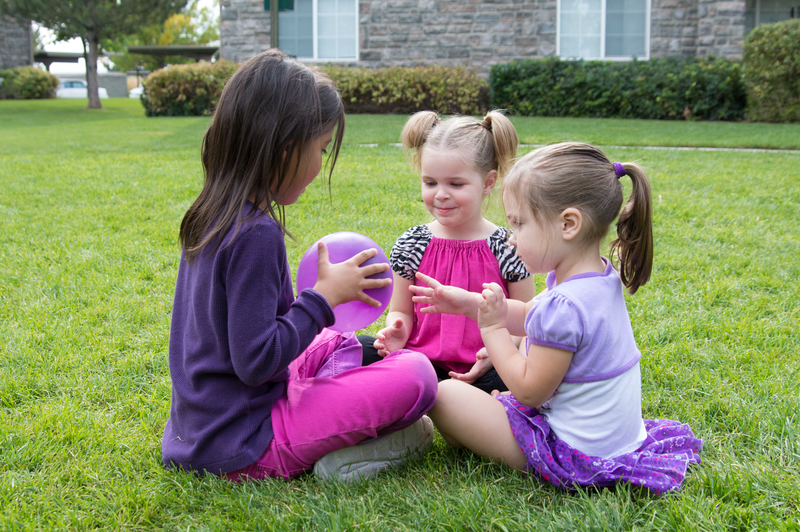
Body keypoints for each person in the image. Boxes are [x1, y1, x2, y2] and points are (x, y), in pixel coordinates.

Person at [161, 50, 438, 483]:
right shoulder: (255, 233)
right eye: (321, 148)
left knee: (337, 340)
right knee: (416, 375)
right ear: (285, 146)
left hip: (202, 428)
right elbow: (257, 361)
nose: (320, 164)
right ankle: (358, 444)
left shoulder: (213, 210)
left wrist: (321, 310)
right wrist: (322, 299)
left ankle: (330, 401)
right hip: (245, 441)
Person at [411, 142, 703, 494]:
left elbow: (529, 391)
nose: (511, 238)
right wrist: (468, 303)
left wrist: (492, 329)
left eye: (519, 224)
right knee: (473, 408)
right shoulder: (597, 278)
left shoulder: (563, 305)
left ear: (568, 224)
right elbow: (529, 315)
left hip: (572, 454)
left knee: (445, 394)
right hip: (609, 442)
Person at [358, 111, 536, 394]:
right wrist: (397, 331)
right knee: (359, 350)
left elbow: (526, 322)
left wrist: (498, 354)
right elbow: (400, 310)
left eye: (455, 184)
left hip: (482, 371)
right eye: (430, 183)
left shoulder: (508, 246)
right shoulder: (412, 243)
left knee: (528, 373)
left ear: (488, 182)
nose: (440, 194)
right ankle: (429, 396)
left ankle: (438, 400)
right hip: (419, 364)